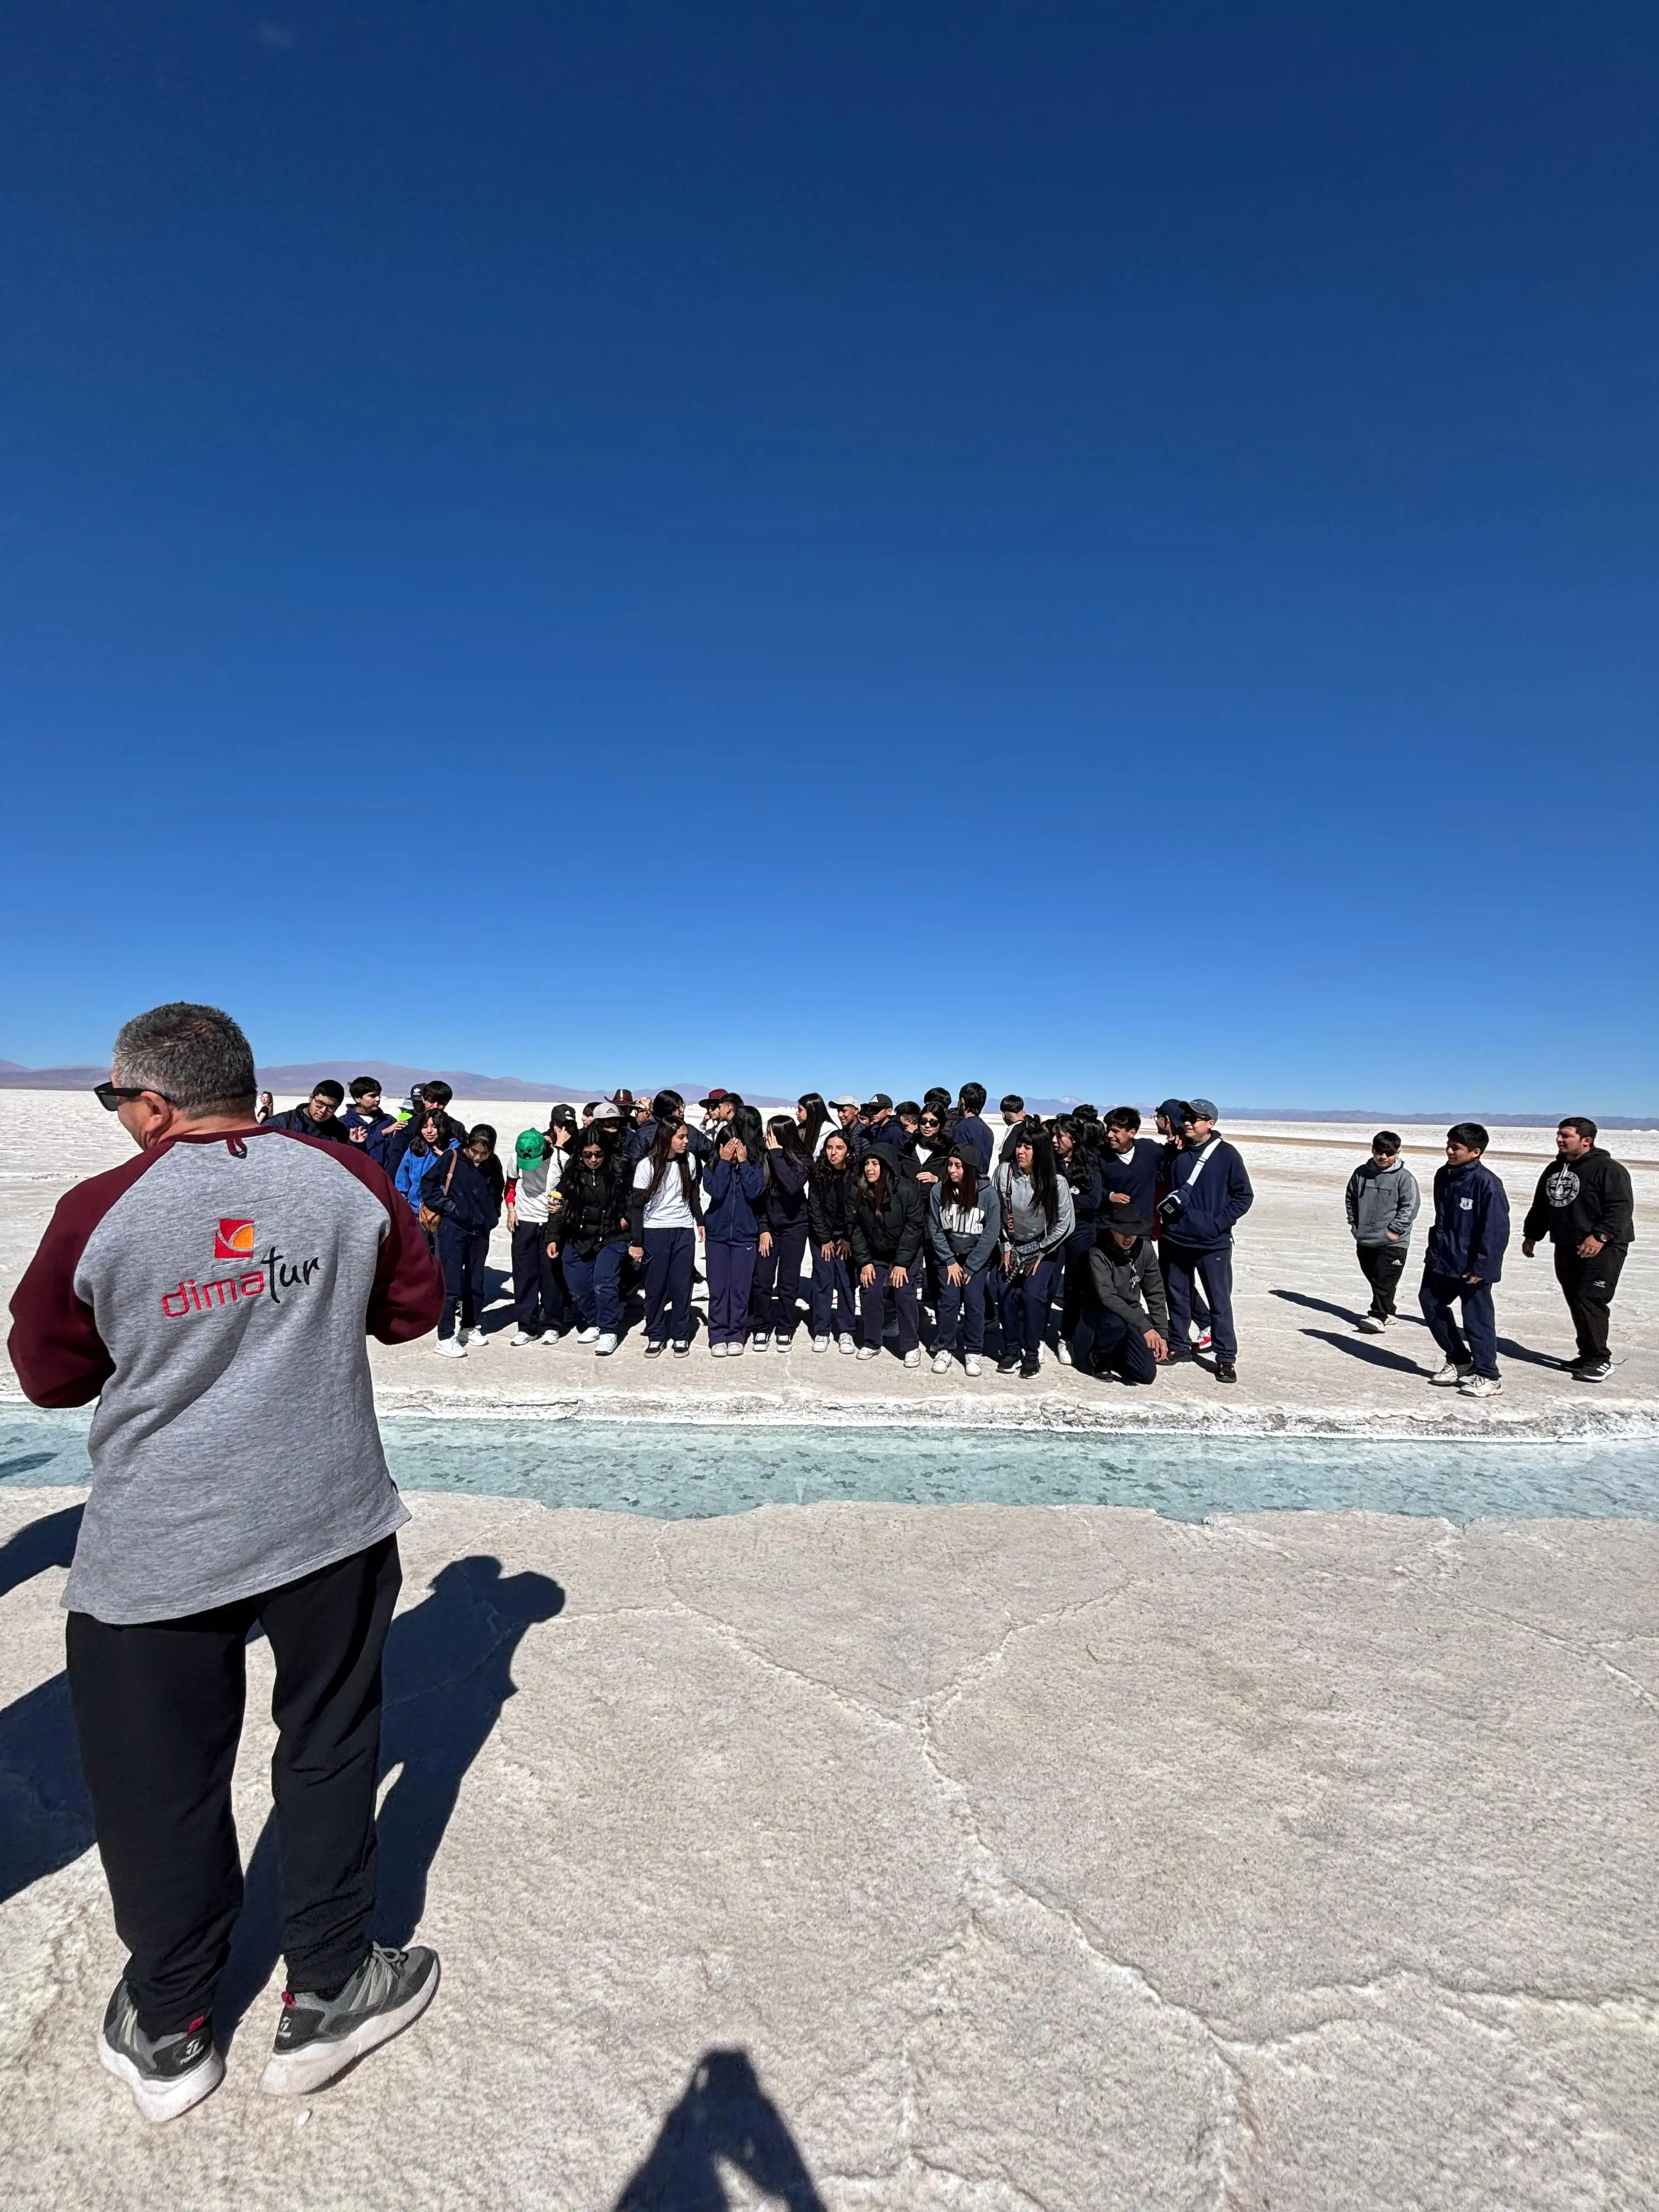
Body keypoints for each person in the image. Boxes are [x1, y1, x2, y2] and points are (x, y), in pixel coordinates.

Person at [6, 1002, 443, 2123]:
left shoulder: (100, 1209)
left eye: (116, 1101)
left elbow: (49, 1373)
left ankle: (171, 2020)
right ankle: (332, 1985)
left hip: (164, 1537)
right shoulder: (347, 1176)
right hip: (329, 1517)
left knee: (158, 1779)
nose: (117, 1118)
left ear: (154, 1104)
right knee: (330, 1745)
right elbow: (411, 1310)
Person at [1522, 1117, 1634, 1381]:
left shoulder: (1609, 1169)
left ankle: (1599, 1360)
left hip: (1603, 1248)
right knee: (1576, 1299)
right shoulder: (1555, 1168)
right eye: (1559, 1135)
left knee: (1590, 1299)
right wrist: (1532, 1235)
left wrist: (1600, 1236)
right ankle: (1587, 1355)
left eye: (1566, 1135)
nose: (1560, 1140)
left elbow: (1620, 1207)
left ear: (1586, 1141)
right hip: (1566, 1243)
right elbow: (1542, 1204)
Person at [1158, 1100, 1252, 1384]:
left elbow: (1244, 1196)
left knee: (1219, 1302)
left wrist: (1217, 1224)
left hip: (1212, 1245)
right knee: (1177, 1296)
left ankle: (1225, 1358)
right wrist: (1169, 1152)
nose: (1188, 1122)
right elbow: (1162, 1180)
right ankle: (1179, 1344)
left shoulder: (1226, 1154)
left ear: (1210, 1124)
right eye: (1186, 1117)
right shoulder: (1177, 1152)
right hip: (1176, 1238)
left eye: (1196, 1118)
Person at [1420, 1122, 1511, 1397]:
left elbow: (1496, 1230)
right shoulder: (1443, 1175)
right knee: (1430, 1303)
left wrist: (1483, 1266)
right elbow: (1443, 1220)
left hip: (1472, 1265)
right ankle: (1460, 1360)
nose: (1449, 1151)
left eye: (1456, 1147)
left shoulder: (1487, 1184)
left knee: (1476, 1319)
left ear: (1475, 1152)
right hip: (1443, 1258)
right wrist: (1435, 1250)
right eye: (1448, 1145)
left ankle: (1488, 1375)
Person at [994, 1129, 1074, 1376]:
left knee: (1033, 1296)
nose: (1021, 1152)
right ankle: (1011, 1349)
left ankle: (1031, 1354)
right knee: (1006, 1293)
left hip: (1043, 1247)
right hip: (1011, 1243)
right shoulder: (1004, 1174)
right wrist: (1005, 1245)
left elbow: (1065, 1223)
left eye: (1028, 1148)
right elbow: (995, 1210)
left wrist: (1040, 1251)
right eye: (1020, 1146)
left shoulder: (1056, 1182)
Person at [546, 1131, 633, 1355]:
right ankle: (595, 1321)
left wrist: (628, 1218)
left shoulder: (618, 1171)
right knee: (578, 1286)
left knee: (604, 1282)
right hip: (580, 1236)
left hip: (612, 1235)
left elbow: (635, 1197)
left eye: (598, 1154)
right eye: (588, 1155)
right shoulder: (572, 1173)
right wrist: (553, 1237)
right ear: (580, 1154)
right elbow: (557, 1205)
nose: (593, 1159)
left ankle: (608, 1330)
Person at [424, 1125, 503, 1356]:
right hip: (453, 1230)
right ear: (468, 1146)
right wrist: (449, 1207)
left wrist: (492, 1218)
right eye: (474, 1152)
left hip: (480, 1232)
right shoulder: (453, 1158)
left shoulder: (493, 1164)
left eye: (484, 1153)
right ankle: (445, 1336)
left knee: (476, 1282)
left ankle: (469, 1326)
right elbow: (428, 1184)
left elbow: (496, 1193)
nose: (478, 1157)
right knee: (452, 1283)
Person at [628, 1119, 703, 1356]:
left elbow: (693, 1193)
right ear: (667, 1137)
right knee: (655, 1287)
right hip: (655, 1231)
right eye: (681, 1137)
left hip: (682, 1229)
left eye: (686, 1136)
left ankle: (681, 1335)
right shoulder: (647, 1166)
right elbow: (637, 1207)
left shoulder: (690, 1161)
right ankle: (656, 1335)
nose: (686, 1141)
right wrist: (637, 1242)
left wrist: (699, 1220)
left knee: (682, 1285)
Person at [927, 1148, 1002, 1375]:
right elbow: (935, 1228)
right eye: (950, 1165)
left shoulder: (988, 1195)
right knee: (949, 1301)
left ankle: (973, 1351)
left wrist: (971, 1266)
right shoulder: (939, 1190)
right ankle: (945, 1347)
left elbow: (990, 1234)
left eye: (958, 1166)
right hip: (948, 1257)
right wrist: (949, 1260)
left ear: (970, 1169)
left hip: (976, 1258)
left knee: (974, 1302)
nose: (952, 1170)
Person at [850, 1151, 926, 1364]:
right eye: (867, 1164)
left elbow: (914, 1229)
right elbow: (855, 1229)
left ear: (886, 1167)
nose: (869, 1168)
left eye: (875, 1164)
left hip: (906, 1250)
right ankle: (872, 1342)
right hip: (876, 1251)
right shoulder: (858, 1190)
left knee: (903, 1290)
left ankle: (911, 1345)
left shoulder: (907, 1191)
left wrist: (901, 1263)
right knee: (870, 1288)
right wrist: (865, 1262)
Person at [1074, 1215, 1169, 1384]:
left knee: (1145, 1375)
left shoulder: (1145, 1250)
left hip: (1131, 1313)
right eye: (1123, 1233)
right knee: (1115, 1325)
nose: (1128, 1238)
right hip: (1100, 1311)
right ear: (1112, 1230)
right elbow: (1108, 1297)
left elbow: (1155, 1292)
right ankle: (1099, 1356)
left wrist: (1161, 1333)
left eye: (1133, 1233)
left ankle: (1116, 1352)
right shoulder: (1098, 1253)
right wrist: (1145, 1327)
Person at [1344, 1132, 1420, 1333]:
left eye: (1389, 1153)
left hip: (1393, 1242)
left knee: (1386, 1279)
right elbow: (1351, 1199)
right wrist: (1354, 1224)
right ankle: (1389, 1311)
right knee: (1375, 1278)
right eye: (1379, 1152)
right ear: (1373, 1150)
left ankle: (1377, 1316)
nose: (1384, 1157)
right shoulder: (1361, 1174)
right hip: (1365, 1238)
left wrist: (1394, 1231)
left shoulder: (1405, 1178)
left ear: (1398, 1152)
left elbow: (1410, 1208)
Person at [702, 1120, 766, 1355]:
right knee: (719, 1289)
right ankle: (718, 1335)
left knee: (740, 1289)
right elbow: (716, 1191)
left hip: (745, 1236)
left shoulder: (755, 1167)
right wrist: (724, 1163)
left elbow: (755, 1191)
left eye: (738, 1145)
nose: (734, 1150)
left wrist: (744, 1163)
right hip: (717, 1236)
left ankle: (737, 1334)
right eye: (729, 1146)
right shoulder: (711, 1168)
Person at [752, 1116, 811, 1350]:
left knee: (788, 1281)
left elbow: (792, 1185)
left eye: (771, 1133)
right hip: (770, 1228)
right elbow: (759, 1197)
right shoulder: (763, 1157)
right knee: (763, 1280)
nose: (767, 1137)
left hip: (795, 1227)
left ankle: (785, 1327)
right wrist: (763, 1228)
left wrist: (776, 1155)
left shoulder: (803, 1158)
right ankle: (761, 1326)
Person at [505, 1128, 568, 1345]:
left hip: (550, 1224)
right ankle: (527, 1327)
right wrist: (511, 1210)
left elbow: (571, 1191)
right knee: (524, 1276)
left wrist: (561, 1207)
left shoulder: (561, 1160)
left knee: (551, 1276)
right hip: (524, 1222)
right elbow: (510, 1186)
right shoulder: (516, 1159)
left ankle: (552, 1325)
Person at [1054, 1118, 1104, 1364]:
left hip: (1081, 1232)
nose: (1054, 1141)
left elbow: (1093, 1201)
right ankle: (1037, 1338)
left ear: (1073, 1140)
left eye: (1060, 1136)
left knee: (1074, 1288)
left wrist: (1063, 1200)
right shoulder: (1049, 1162)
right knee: (1047, 1285)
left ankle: (1067, 1337)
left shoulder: (1089, 1164)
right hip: (1053, 1232)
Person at [806, 1128, 860, 1352]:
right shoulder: (818, 1172)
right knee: (823, 1281)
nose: (833, 1153)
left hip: (847, 1236)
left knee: (846, 1282)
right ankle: (822, 1331)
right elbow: (814, 1207)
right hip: (823, 1236)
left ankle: (847, 1330)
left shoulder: (856, 1173)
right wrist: (825, 1239)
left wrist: (847, 1238)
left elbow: (857, 1209)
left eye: (839, 1148)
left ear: (848, 1151)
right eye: (829, 1148)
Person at [1098, 1108, 1161, 1226]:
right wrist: (1109, 1196)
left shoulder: (1150, 1149)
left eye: (1115, 1131)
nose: (1109, 1135)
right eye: (1109, 1130)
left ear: (1132, 1133)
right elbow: (1091, 1187)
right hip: (1111, 1226)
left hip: (1142, 1226)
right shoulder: (1100, 1156)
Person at [394, 1107, 456, 1223]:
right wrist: (403, 1207)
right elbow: (402, 1181)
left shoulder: (454, 1150)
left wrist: (446, 1159)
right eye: (425, 1127)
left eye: (434, 1127)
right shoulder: (415, 1149)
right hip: (414, 1213)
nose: (429, 1131)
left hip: (442, 1215)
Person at [264, 1080, 351, 1144]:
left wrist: (355, 1143)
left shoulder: (340, 1132)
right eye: (320, 1104)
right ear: (311, 1098)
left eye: (331, 1107)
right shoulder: (283, 1123)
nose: (323, 1111)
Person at [952, 1084, 995, 1176]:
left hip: (967, 1181)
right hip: (982, 1180)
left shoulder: (962, 1128)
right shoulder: (987, 1130)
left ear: (962, 1101)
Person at [339, 1078, 392, 1147]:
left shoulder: (389, 1121)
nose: (378, 1099)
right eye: (372, 1096)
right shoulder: (343, 1124)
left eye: (379, 1095)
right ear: (358, 1099)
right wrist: (354, 1143)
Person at [796, 1091, 832, 1156]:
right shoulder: (801, 1129)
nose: (797, 1113)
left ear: (811, 1110)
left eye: (800, 1110)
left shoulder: (829, 1130)